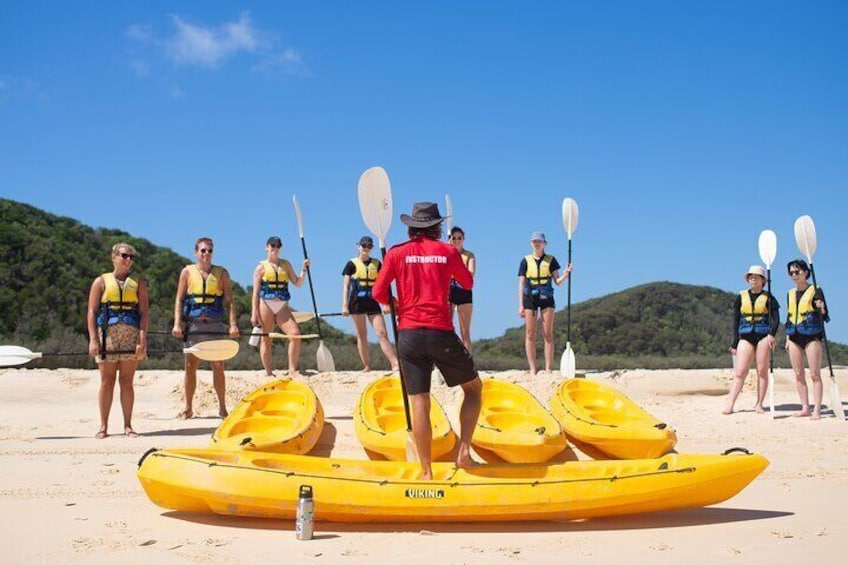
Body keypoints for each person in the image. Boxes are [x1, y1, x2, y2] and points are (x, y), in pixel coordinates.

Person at [372, 202, 482, 480]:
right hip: (440, 332)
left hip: (408, 334)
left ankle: (426, 471)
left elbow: (378, 292)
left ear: (411, 227)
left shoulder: (396, 253)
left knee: (419, 401)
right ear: (437, 227)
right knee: (474, 389)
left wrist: (395, 302)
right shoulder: (447, 251)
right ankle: (465, 452)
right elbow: (467, 283)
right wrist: (452, 258)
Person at [86, 242, 149, 438]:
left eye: (131, 257)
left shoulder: (138, 283)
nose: (128, 260)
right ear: (113, 257)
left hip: (130, 335)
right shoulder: (100, 282)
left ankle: (128, 425)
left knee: (127, 381)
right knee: (107, 381)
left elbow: (144, 313)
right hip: (108, 335)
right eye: (124, 255)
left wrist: (142, 339)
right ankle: (103, 426)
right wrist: (93, 340)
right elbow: (91, 311)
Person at [172, 237, 239, 419]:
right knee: (190, 366)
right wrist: (177, 323)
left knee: (218, 366)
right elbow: (179, 299)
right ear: (196, 253)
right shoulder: (187, 272)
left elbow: (229, 301)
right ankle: (188, 407)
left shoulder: (222, 273)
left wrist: (233, 324)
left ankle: (223, 408)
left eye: (209, 250)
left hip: (215, 324)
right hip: (193, 325)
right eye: (203, 250)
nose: (206, 254)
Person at [723, 265, 779, 415]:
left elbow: (776, 319)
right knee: (740, 372)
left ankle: (759, 404)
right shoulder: (741, 297)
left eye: (756, 276)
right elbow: (735, 321)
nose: (753, 279)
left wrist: (772, 334)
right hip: (745, 337)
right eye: (750, 276)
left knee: (762, 371)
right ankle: (730, 403)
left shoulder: (769, 298)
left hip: (763, 336)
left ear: (763, 280)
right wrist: (734, 343)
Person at [250, 236, 309, 376]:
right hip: (266, 305)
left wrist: (304, 269)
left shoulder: (286, 264)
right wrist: (254, 313)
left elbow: (298, 283)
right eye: (272, 245)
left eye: (278, 246)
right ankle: (269, 372)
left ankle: (292, 369)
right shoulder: (260, 268)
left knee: (295, 335)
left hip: (283, 306)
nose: (275, 248)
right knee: (266, 339)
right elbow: (255, 293)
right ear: (267, 247)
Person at [341, 236, 399, 372]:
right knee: (362, 334)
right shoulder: (351, 264)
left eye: (368, 246)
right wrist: (344, 305)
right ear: (358, 246)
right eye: (363, 245)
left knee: (382, 332)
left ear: (371, 248)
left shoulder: (377, 264)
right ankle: (366, 366)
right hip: (356, 303)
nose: (366, 248)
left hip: (373, 302)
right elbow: (346, 286)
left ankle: (395, 363)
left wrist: (386, 304)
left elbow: (384, 284)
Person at [517, 231, 572, 374]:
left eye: (539, 241)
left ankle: (548, 368)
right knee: (530, 333)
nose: (537, 243)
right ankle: (532, 368)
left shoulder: (551, 260)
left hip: (546, 297)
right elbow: (521, 284)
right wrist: (521, 305)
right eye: (534, 241)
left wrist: (566, 274)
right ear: (531, 243)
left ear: (544, 244)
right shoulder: (525, 261)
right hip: (530, 298)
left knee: (547, 333)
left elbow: (557, 282)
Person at [784, 259, 830, 419]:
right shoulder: (790, 293)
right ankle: (805, 407)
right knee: (798, 373)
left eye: (797, 271)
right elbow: (789, 317)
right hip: (794, 336)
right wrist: (787, 338)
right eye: (791, 272)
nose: (794, 275)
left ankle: (817, 409)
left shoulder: (816, 290)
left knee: (814, 374)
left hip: (812, 336)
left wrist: (821, 307)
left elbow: (825, 315)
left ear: (806, 272)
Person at [448, 226, 476, 352]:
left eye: (459, 238)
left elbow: (471, 273)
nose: (457, 240)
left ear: (463, 239)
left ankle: (467, 361)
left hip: (464, 291)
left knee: (465, 331)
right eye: (454, 238)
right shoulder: (446, 254)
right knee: (446, 329)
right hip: (449, 291)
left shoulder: (469, 255)